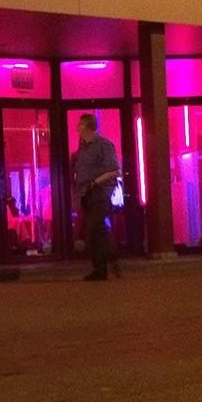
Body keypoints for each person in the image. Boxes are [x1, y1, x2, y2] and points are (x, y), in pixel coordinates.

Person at [73, 113, 121, 281]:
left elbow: (114, 170)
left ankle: (103, 266)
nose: (77, 128)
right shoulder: (82, 148)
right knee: (95, 230)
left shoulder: (104, 145)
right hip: (86, 192)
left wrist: (95, 182)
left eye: (80, 125)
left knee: (94, 227)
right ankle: (107, 262)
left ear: (87, 127)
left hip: (99, 192)